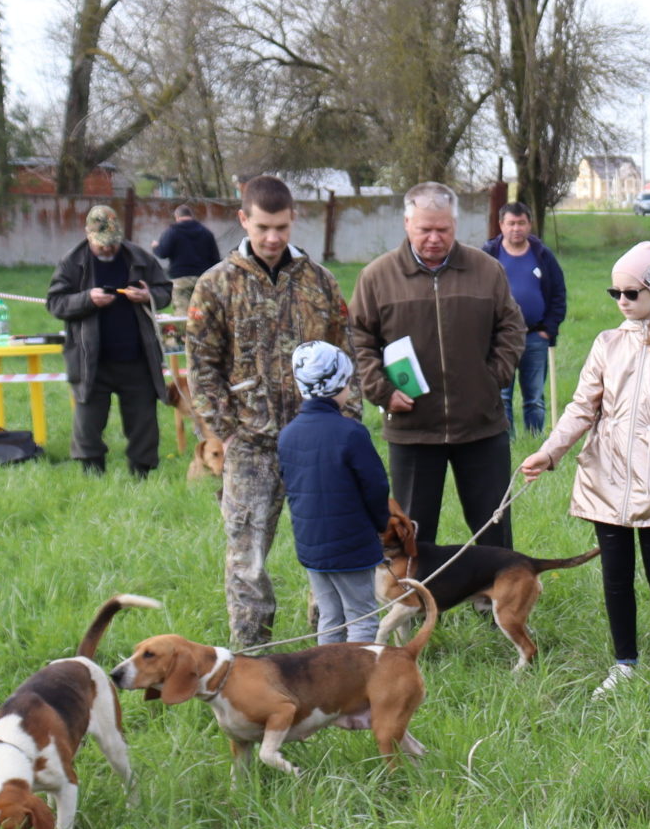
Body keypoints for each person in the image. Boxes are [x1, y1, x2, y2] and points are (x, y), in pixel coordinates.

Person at [521, 242, 650, 692]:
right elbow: (581, 408)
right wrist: (550, 451)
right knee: (616, 575)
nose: (622, 300)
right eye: (615, 292)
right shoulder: (606, 343)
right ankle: (624, 663)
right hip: (605, 476)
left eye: (631, 292)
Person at [187, 173, 352, 647]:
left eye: (281, 226)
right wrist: (227, 433)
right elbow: (201, 367)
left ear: (293, 219)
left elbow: (346, 356)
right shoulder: (216, 285)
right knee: (247, 558)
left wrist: (346, 425)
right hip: (251, 447)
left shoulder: (320, 282)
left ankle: (331, 650)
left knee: (328, 549)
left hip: (316, 442)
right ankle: (251, 657)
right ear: (244, 220)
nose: (273, 237)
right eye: (263, 227)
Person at [349, 182, 525, 549]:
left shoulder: (486, 270)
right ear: (406, 224)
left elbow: (511, 326)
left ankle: (492, 587)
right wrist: (381, 390)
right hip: (413, 428)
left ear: (455, 224)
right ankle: (416, 587)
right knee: (411, 532)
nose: (434, 238)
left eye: (442, 229)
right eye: (424, 229)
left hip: (481, 425)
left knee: (493, 528)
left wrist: (493, 377)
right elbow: (357, 339)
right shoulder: (377, 277)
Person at [46, 205, 174, 476]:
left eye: (112, 242)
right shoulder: (72, 262)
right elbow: (55, 303)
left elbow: (165, 290)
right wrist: (87, 299)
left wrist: (148, 296)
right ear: (88, 234)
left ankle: (142, 475)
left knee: (143, 423)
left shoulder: (139, 257)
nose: (107, 248)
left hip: (137, 357)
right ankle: (92, 476)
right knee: (88, 425)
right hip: (91, 360)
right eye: (101, 243)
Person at [276, 342, 391, 644]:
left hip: (311, 546)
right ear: (339, 384)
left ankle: (328, 674)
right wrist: (381, 524)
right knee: (362, 617)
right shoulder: (351, 433)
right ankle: (358, 675)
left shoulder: (287, 435)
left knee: (330, 618)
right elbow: (376, 486)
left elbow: (291, 485)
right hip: (352, 546)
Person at [485, 200, 568, 435]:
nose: (516, 228)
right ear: (501, 225)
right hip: (500, 338)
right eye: (511, 223)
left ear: (529, 224)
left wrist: (548, 329)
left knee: (535, 397)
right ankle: (506, 442)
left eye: (521, 223)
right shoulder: (489, 255)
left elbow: (559, 293)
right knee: (502, 396)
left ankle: (534, 440)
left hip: (535, 337)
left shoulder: (543, 255)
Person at [152, 202, 224, 316]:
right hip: (203, 278)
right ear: (191, 216)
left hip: (180, 279)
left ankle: (183, 327)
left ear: (177, 217)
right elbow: (215, 259)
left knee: (183, 314)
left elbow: (162, 253)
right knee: (204, 314)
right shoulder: (206, 232)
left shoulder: (172, 231)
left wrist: (155, 247)